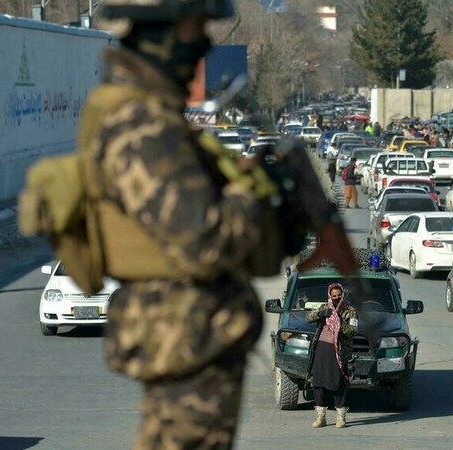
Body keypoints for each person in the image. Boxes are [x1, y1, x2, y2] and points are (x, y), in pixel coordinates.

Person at [84, 1, 356, 448]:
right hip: (183, 339)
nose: (205, 44)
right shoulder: (142, 125)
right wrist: (254, 190)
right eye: (195, 31)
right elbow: (201, 239)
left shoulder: (154, 117)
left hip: (195, 336)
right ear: (159, 35)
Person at [306, 283, 358, 429]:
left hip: (339, 351)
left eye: (339, 296)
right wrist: (321, 314)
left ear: (343, 295)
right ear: (329, 296)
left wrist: (339, 324)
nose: (336, 298)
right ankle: (321, 416)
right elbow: (308, 317)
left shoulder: (350, 311)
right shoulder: (325, 307)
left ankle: (341, 417)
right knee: (319, 383)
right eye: (333, 296)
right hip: (322, 348)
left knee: (339, 383)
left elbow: (353, 330)